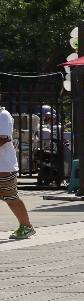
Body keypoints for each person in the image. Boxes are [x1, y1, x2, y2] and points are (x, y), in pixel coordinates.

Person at [0, 94, 35, 239]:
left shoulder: (3, 115)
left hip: (4, 167)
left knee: (11, 198)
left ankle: (26, 226)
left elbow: (3, 138)